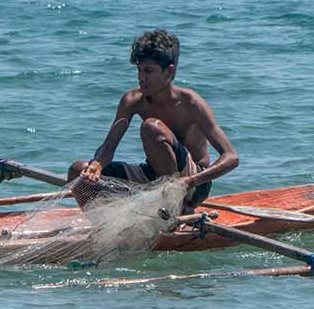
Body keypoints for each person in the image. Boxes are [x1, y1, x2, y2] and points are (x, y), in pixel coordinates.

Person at [68, 29, 239, 212]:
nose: (141, 77)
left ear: (169, 71)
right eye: (139, 70)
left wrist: (189, 181)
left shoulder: (191, 103)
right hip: (155, 178)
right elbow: (109, 146)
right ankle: (111, 224)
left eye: (149, 71)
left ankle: (177, 206)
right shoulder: (132, 100)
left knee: (151, 127)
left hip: (193, 184)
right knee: (78, 171)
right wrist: (97, 164)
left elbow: (231, 157)